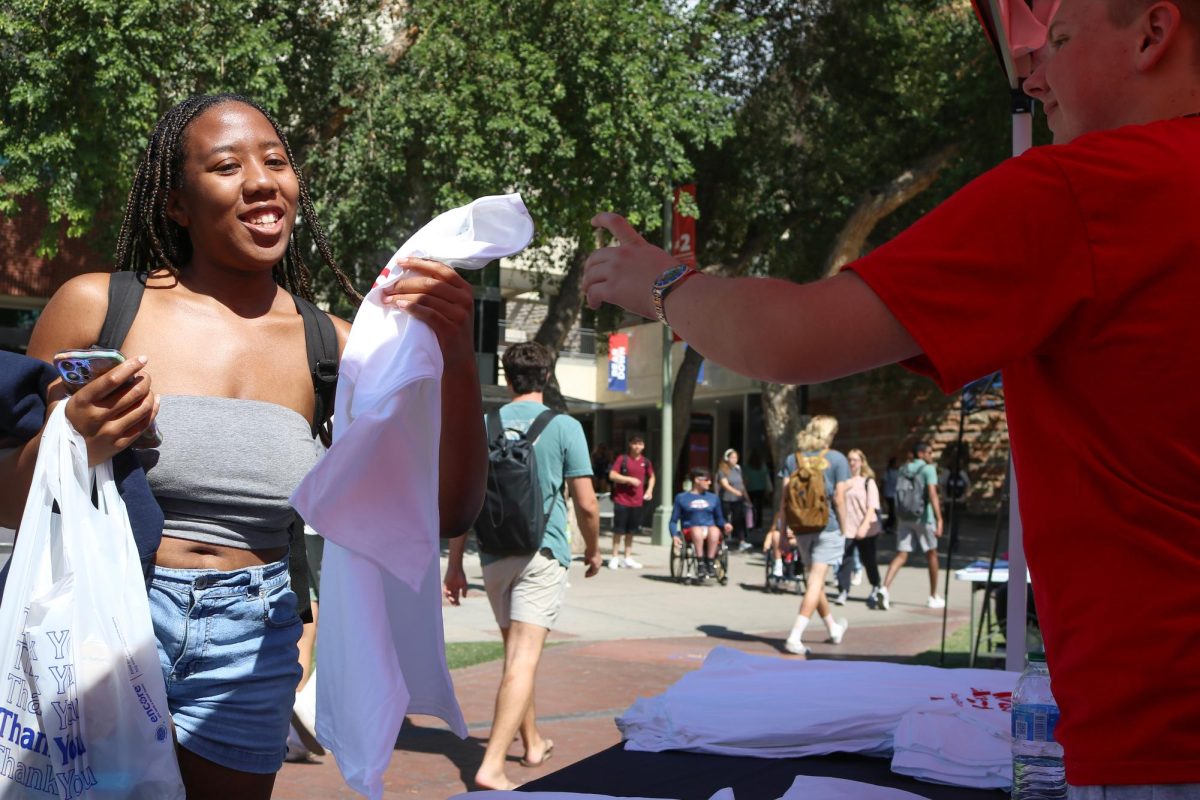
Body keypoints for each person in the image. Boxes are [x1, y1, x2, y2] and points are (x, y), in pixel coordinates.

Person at [582, 1, 1200, 789]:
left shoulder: (1086, 191)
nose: (1036, 77)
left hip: (1161, 727)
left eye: (1063, 42)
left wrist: (664, 283)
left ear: (1153, 32)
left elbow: (794, 337)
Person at [5, 94, 486, 799]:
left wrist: (459, 361)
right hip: (98, 616)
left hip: (250, 637)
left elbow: (444, 513)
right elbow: (9, 500)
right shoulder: (97, 306)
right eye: (227, 165)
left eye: (277, 162)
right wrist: (70, 444)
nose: (262, 181)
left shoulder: (336, 346)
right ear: (176, 203)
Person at [443, 341, 602, 790]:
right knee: (523, 658)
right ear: (546, 377)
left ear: (507, 378)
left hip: (493, 556)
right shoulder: (565, 426)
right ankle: (492, 765)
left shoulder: (484, 424)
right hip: (542, 553)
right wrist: (593, 549)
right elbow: (587, 504)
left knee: (517, 656)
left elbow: (465, 499)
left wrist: (454, 565)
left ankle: (532, 742)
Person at [775, 416, 850, 655]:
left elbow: (785, 499)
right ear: (828, 434)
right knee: (816, 581)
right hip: (827, 526)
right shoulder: (837, 459)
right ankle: (795, 636)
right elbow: (839, 498)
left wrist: (782, 530)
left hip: (801, 526)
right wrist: (845, 528)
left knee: (813, 583)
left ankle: (832, 628)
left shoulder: (792, 459)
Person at [879, 442, 944, 610]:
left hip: (904, 517)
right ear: (921, 453)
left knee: (901, 555)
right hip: (924, 517)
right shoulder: (928, 469)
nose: (932, 455)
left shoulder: (903, 468)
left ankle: (884, 588)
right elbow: (932, 494)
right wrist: (939, 519)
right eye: (929, 452)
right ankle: (933, 595)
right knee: (932, 554)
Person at [834, 449, 884, 608]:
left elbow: (872, 507)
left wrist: (863, 527)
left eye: (855, 459)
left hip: (866, 528)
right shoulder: (844, 482)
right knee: (845, 560)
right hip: (847, 527)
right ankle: (843, 590)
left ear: (862, 462)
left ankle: (876, 585)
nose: (852, 463)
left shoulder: (868, 481)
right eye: (849, 459)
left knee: (869, 560)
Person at [668, 468, 732, 579]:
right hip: (690, 531)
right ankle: (701, 562)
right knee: (697, 530)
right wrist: (674, 535)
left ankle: (710, 562)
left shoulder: (713, 498)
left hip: (710, 530)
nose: (710, 482)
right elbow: (673, 521)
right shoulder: (682, 498)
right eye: (707, 480)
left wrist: (725, 525)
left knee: (714, 530)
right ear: (697, 480)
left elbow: (719, 518)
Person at [607, 435, 655, 569]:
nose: (637, 446)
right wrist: (629, 479)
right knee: (618, 530)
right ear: (630, 444)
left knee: (631, 531)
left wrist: (649, 490)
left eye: (640, 444)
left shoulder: (646, 462)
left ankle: (627, 557)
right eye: (635, 443)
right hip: (621, 500)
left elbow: (652, 477)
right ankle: (615, 556)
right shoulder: (622, 459)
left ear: (644, 446)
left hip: (637, 501)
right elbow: (612, 475)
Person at [717, 448, 752, 551]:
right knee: (724, 520)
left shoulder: (738, 469)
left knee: (739, 520)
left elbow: (741, 485)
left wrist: (746, 497)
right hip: (726, 499)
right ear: (727, 458)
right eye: (732, 457)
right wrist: (734, 491)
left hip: (738, 500)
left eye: (736, 457)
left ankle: (741, 541)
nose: (734, 459)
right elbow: (724, 484)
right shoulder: (722, 470)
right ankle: (721, 540)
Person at [743, 450, 774, 539]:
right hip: (760, 489)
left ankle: (751, 524)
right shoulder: (763, 467)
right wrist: (769, 489)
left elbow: (745, 479)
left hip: (750, 489)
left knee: (750, 508)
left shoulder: (747, 467)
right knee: (759, 508)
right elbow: (766, 478)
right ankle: (759, 525)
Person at [882, 456, 900, 534]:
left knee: (893, 512)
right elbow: (883, 483)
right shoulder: (888, 472)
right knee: (892, 512)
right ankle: (886, 526)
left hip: (895, 494)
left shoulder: (898, 472)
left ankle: (889, 526)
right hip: (889, 494)